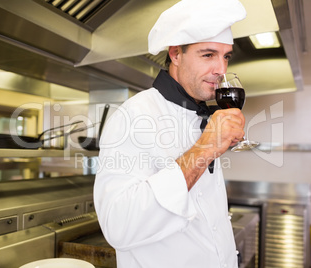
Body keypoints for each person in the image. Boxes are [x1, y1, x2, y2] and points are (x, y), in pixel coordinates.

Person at [94, 0, 247, 267]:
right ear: (175, 54)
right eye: (208, 55)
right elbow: (118, 226)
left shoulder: (200, 113)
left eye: (226, 56)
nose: (221, 70)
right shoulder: (134, 116)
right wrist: (205, 148)